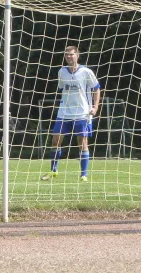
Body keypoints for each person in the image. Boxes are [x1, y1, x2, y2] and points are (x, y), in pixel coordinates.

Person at [41, 46, 101, 182]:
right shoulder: (61, 72)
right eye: (66, 55)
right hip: (64, 112)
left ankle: (83, 174)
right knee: (55, 140)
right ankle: (53, 171)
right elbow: (62, 89)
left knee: (82, 143)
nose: (69, 57)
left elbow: (97, 88)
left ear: (77, 55)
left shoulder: (86, 72)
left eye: (71, 55)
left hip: (82, 113)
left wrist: (95, 107)